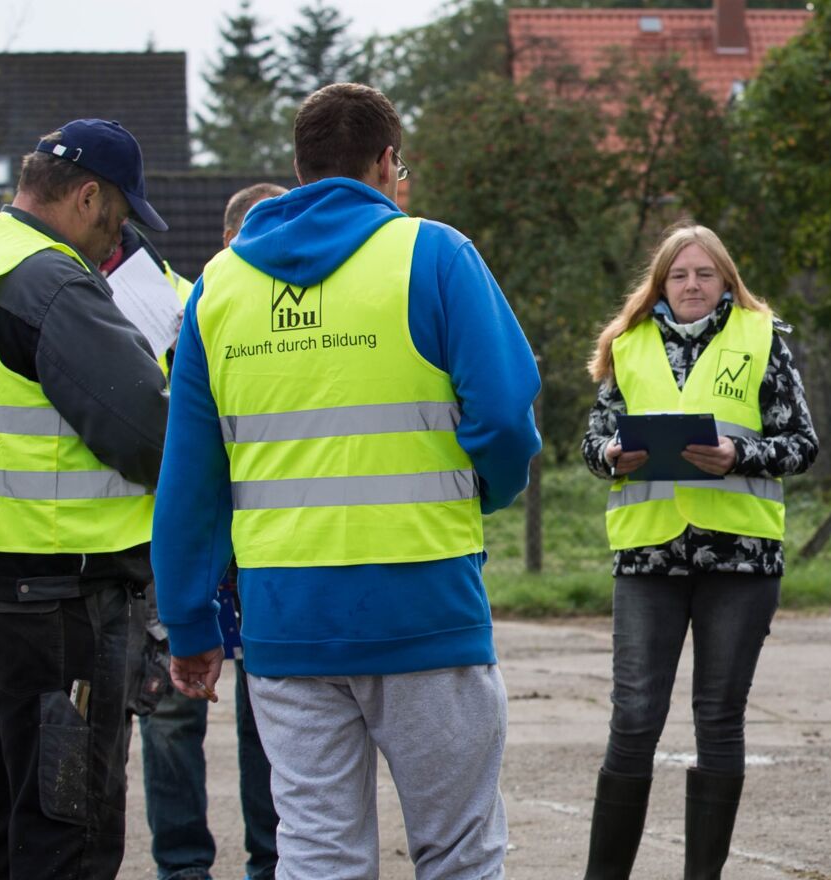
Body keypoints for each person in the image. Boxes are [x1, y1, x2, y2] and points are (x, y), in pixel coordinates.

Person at [152, 83, 541, 879]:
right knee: (458, 852)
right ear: (389, 163)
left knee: (319, 854)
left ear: (298, 170)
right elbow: (504, 416)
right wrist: (483, 492)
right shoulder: (434, 256)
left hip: (287, 622)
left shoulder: (217, 289)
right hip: (425, 605)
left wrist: (190, 626)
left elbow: (189, 478)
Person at [0, 118, 171, 879]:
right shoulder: (50, 277)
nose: (113, 241)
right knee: (65, 823)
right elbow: (144, 431)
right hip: (57, 586)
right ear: (88, 196)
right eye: (118, 219)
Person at [578, 222, 818, 880]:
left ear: (725, 282)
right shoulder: (628, 345)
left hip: (739, 560)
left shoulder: (762, 337)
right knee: (633, 719)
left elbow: (801, 443)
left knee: (718, 717)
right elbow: (592, 444)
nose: (691, 285)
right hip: (648, 560)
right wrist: (610, 454)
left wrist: (738, 455)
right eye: (679, 275)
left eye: (704, 274)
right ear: (661, 284)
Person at [138, 183, 287, 880]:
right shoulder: (186, 311)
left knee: (273, 723)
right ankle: (184, 868)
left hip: (265, 554)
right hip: (190, 551)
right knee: (170, 717)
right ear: (227, 246)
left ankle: (273, 862)